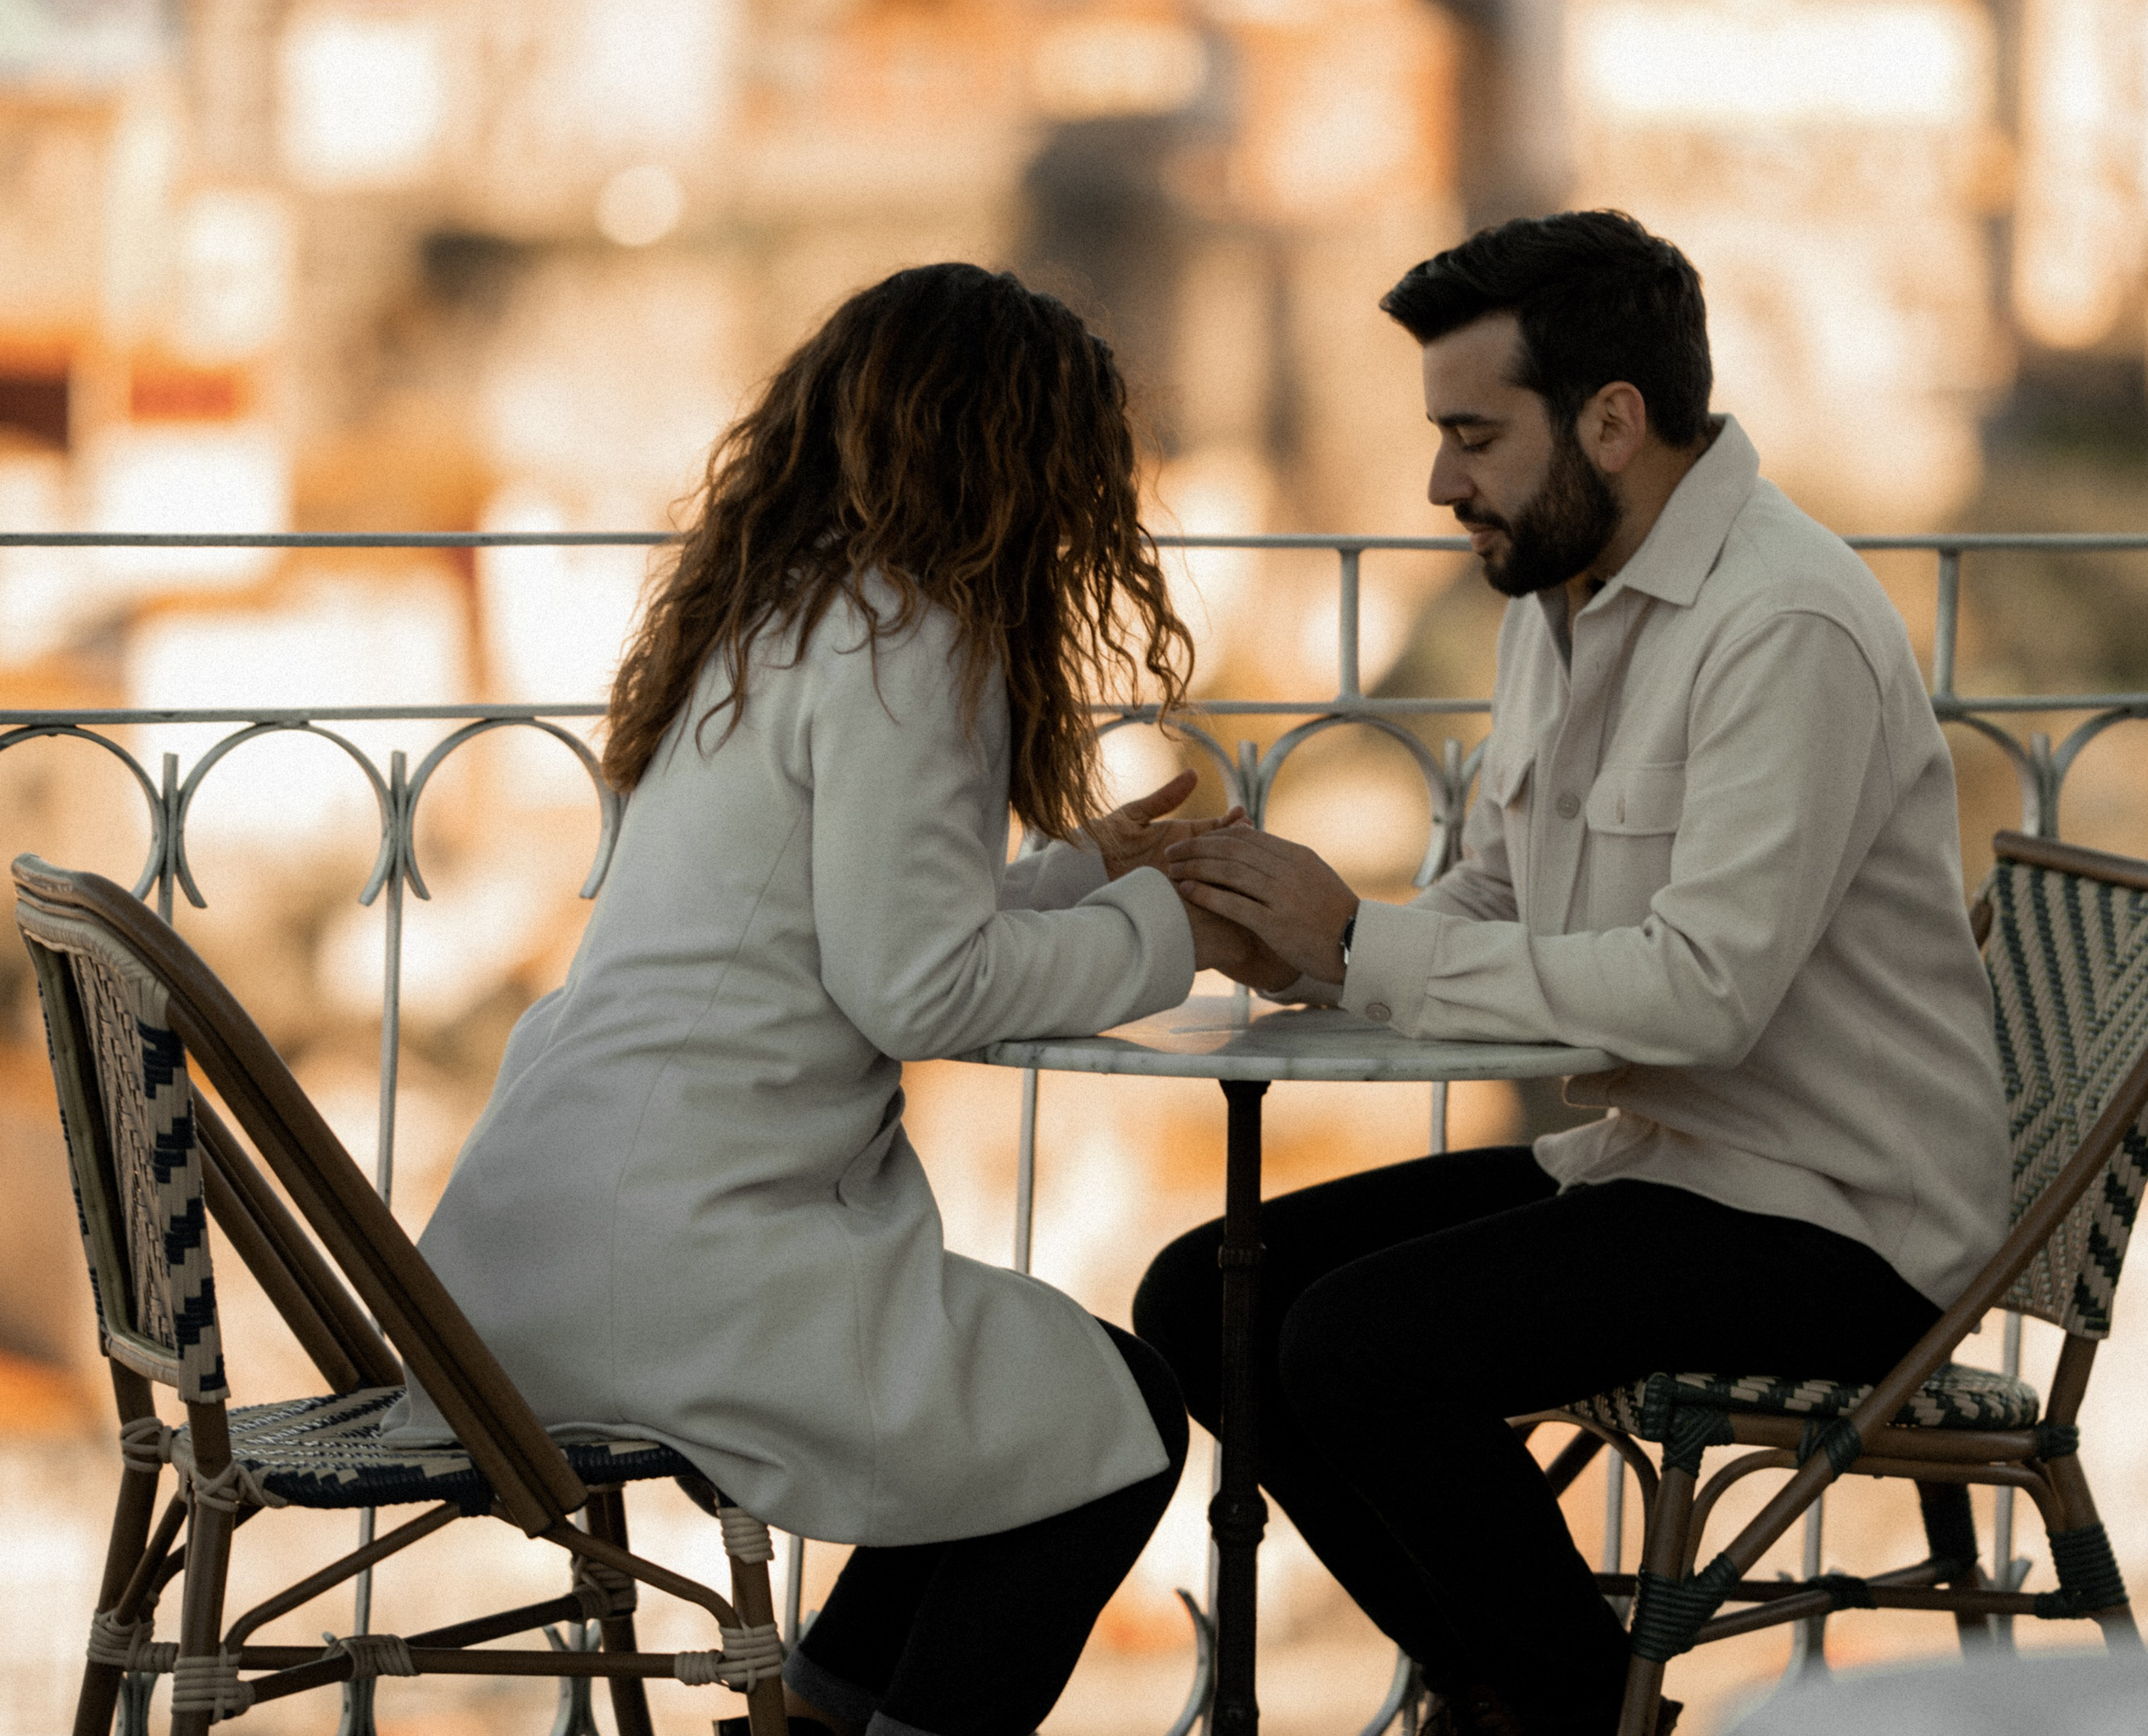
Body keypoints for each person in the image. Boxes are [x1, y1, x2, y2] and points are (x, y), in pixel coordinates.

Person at [1137, 212, 2011, 1735]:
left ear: (1612, 422)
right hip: (1657, 1163)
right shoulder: (1564, 593)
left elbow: (1702, 992)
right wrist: (1301, 948)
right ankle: (1534, 1686)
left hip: (1841, 1223)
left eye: (1474, 434)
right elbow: (1498, 890)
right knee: (1204, 1298)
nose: (1438, 482)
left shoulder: (1782, 623)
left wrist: (1366, 946)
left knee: (1354, 1346)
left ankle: (1545, 1701)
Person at [384, 262, 1260, 1736]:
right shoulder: (918, 640)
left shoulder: (794, 615)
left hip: (549, 1252)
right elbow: (919, 985)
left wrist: (1082, 879)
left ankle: (811, 1718)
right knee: (1119, 1419)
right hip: (684, 1263)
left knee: (1038, 1425)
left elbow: (860, 931)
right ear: (1026, 466)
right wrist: (1174, 926)